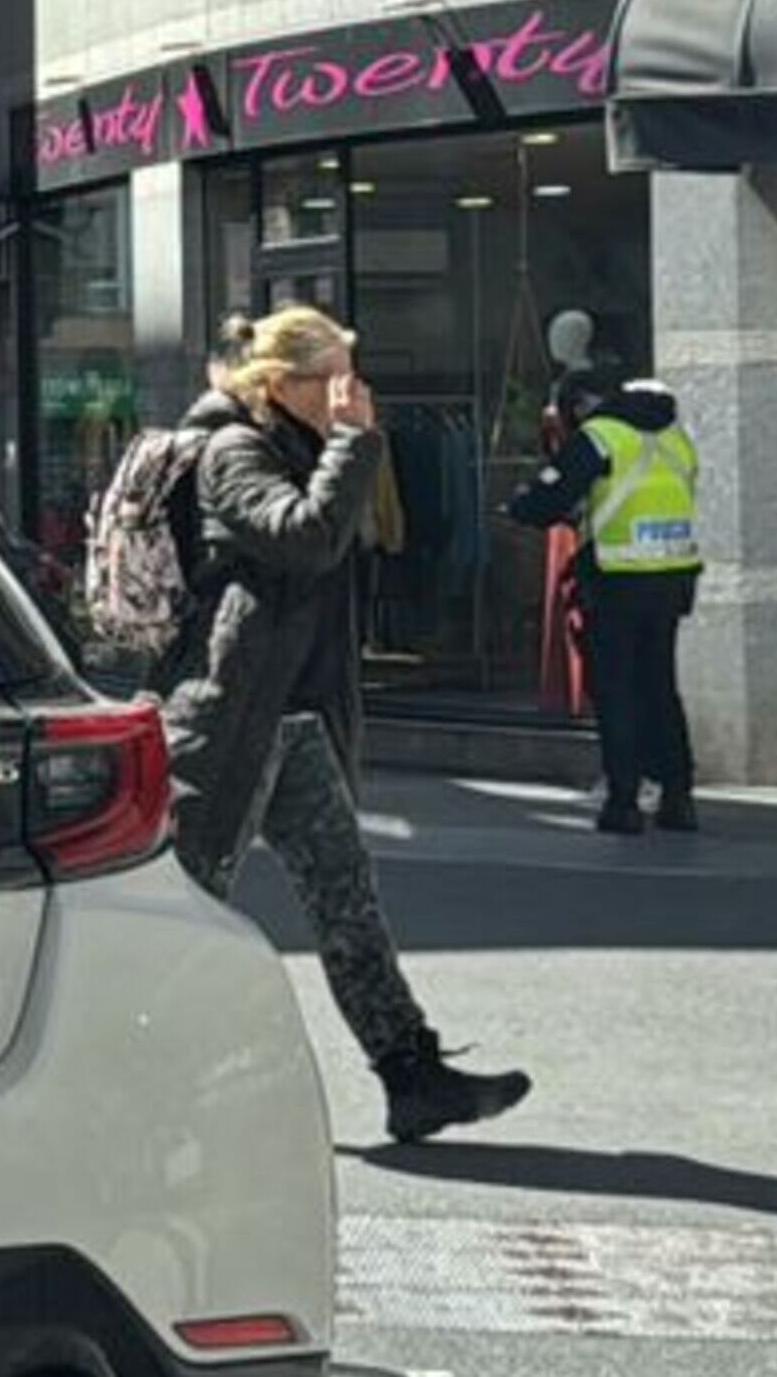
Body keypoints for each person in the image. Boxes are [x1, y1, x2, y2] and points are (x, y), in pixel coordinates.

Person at [168, 307, 531, 1144]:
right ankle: (147, 1085)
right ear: (281, 383)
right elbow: (307, 539)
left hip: (292, 718)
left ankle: (413, 1074)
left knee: (347, 900)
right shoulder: (232, 451)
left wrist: (343, 447)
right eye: (334, 377)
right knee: (193, 910)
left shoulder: (302, 445)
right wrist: (352, 444)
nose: (353, 393)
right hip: (234, 719)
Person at [513, 376, 703, 834]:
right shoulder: (674, 435)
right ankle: (678, 797)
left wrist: (522, 504)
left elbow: (548, 497)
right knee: (660, 686)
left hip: (617, 578)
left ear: (578, 406)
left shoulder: (599, 437)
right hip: (673, 576)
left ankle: (624, 800)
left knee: (616, 689)